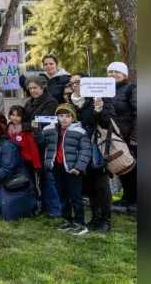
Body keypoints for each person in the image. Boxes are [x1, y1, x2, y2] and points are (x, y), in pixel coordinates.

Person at [67, 72, 116, 232]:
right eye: (72, 83)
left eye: (78, 82)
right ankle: (95, 217)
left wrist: (99, 110)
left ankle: (106, 220)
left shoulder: (99, 98)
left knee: (101, 183)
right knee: (89, 184)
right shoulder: (70, 102)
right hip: (80, 148)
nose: (75, 85)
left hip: (96, 147)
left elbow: (108, 122)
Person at [36, 103, 92, 235]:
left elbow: (85, 151)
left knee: (75, 197)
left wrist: (78, 167)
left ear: (73, 118)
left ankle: (79, 223)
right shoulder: (49, 130)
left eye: (67, 116)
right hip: (57, 168)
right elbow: (41, 143)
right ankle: (67, 220)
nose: (64, 119)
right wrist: (36, 131)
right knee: (62, 196)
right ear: (57, 117)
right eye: (61, 116)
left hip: (73, 170)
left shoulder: (80, 132)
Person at [22, 75, 61, 218]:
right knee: (39, 177)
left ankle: (55, 208)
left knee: (49, 176)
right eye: (30, 88)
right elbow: (29, 120)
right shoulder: (29, 102)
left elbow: (42, 122)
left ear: (43, 87)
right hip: (32, 144)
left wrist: (23, 126)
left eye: (35, 88)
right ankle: (43, 205)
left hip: (46, 143)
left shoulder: (51, 102)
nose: (32, 90)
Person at [108, 61, 136, 213]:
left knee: (136, 169)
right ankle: (127, 198)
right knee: (124, 168)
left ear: (125, 75)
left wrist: (135, 137)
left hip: (130, 137)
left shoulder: (131, 89)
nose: (113, 74)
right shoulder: (106, 90)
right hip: (115, 137)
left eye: (117, 72)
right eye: (110, 71)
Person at [8, 106, 41, 192]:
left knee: (30, 182)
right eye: (13, 115)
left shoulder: (27, 131)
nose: (15, 118)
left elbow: (34, 149)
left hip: (27, 162)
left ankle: (34, 196)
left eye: (18, 116)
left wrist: (37, 165)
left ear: (23, 117)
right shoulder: (9, 129)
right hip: (14, 161)